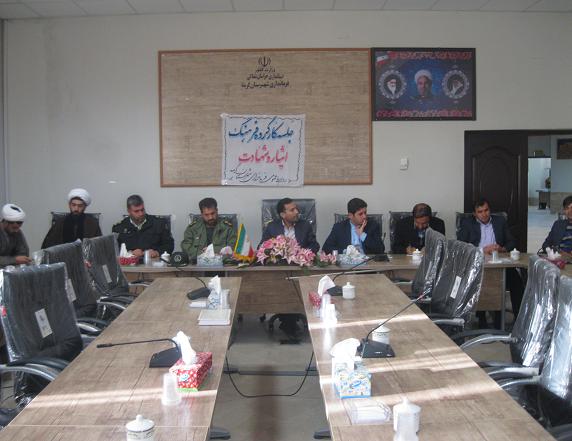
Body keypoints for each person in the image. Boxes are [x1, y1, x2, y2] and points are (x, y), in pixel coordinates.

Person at [458, 198, 525, 325]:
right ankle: (482, 318)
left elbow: (512, 241)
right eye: (480, 212)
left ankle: (519, 320)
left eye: (486, 210)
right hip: (477, 265)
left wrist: (502, 248)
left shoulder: (500, 221)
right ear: (475, 214)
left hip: (499, 263)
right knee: (484, 283)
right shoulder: (467, 223)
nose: (484, 214)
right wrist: (482, 250)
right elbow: (461, 246)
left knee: (516, 282)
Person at [0, 203, 31, 268]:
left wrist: (23, 259)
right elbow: (16, 259)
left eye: (18, 228)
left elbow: (24, 252)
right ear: (5, 222)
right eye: (14, 228)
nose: (16, 231)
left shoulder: (17, 232)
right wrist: (14, 260)